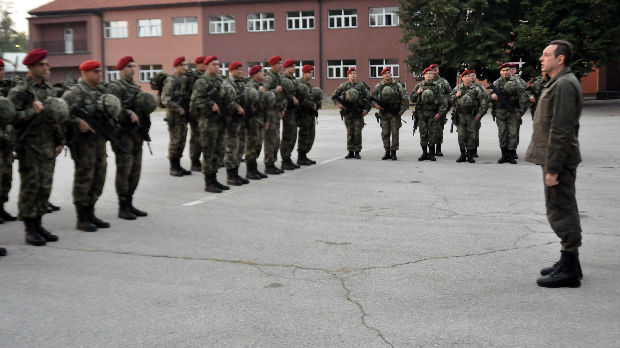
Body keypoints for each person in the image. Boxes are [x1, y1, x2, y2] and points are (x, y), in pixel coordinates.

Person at [525, 40, 584, 288]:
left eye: (546, 54)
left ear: (560, 59)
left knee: (561, 210)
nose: (541, 58)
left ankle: (569, 268)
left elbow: (561, 130)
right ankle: (572, 263)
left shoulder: (565, 85)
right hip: (552, 158)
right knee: (560, 207)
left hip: (557, 160)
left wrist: (553, 169)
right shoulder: (558, 83)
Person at [8, 49, 64, 246]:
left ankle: (39, 223)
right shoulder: (19, 91)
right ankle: (29, 229)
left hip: (47, 145)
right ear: (31, 67)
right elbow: (11, 119)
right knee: (31, 187)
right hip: (29, 146)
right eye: (42, 64)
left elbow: (54, 117)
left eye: (46, 64)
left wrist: (60, 139)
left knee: (44, 187)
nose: (46, 67)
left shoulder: (48, 90)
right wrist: (32, 111)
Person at [63, 60, 118, 232]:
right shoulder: (73, 93)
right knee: (84, 178)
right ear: (85, 73)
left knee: (99, 177)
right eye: (95, 71)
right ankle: (82, 217)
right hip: (82, 144)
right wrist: (77, 122)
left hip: (98, 142)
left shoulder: (101, 91)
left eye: (99, 71)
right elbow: (60, 114)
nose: (99, 74)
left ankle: (91, 211)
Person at [106, 56, 151, 220]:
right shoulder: (115, 87)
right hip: (123, 135)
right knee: (124, 171)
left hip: (137, 134)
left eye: (134, 66)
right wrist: (126, 113)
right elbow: (112, 109)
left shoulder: (135, 87)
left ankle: (130, 202)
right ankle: (122, 206)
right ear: (121, 69)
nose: (133, 69)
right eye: (129, 66)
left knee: (135, 171)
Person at [190, 56, 238, 193]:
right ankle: (208, 182)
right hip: (208, 122)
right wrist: (210, 104)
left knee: (219, 151)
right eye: (213, 64)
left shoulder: (220, 80)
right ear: (206, 66)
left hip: (220, 121)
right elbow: (195, 101)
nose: (217, 67)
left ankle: (215, 179)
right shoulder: (202, 81)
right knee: (209, 152)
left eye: (218, 64)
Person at [490, 63, 526, 164]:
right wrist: (492, 96)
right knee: (502, 133)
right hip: (500, 112)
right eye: (503, 70)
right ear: (500, 72)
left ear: (510, 71)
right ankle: (504, 154)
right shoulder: (496, 83)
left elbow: (523, 97)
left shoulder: (516, 82)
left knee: (513, 133)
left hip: (513, 111)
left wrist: (521, 112)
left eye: (507, 70)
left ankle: (511, 155)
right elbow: (487, 97)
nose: (505, 72)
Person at [162, 56, 192, 177]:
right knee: (175, 140)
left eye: (185, 65)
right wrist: (178, 108)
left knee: (182, 140)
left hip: (182, 116)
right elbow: (165, 99)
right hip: (174, 115)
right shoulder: (171, 80)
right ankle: (173, 167)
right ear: (176, 66)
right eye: (182, 65)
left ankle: (178, 165)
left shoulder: (183, 79)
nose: (184, 67)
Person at [332, 67, 371, 159]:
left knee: (357, 132)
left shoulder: (361, 86)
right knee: (349, 132)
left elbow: (369, 98)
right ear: (348, 75)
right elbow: (334, 96)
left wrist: (366, 111)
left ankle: (357, 151)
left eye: (354, 73)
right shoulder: (344, 86)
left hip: (358, 112)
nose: (353, 74)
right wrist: (338, 104)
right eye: (351, 73)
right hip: (348, 112)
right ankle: (350, 151)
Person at [411, 66, 448, 161]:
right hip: (422, 114)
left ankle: (431, 153)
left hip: (433, 114)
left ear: (433, 75)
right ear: (423, 75)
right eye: (426, 74)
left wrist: (439, 113)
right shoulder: (419, 86)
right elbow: (412, 99)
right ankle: (424, 153)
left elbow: (443, 101)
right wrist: (417, 93)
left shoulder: (437, 86)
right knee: (423, 133)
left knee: (433, 134)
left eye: (430, 74)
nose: (428, 75)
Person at [449, 70, 487, 163]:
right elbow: (449, 101)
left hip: (472, 116)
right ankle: (462, 154)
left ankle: (470, 155)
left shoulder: (476, 89)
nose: (467, 78)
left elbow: (483, 103)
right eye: (465, 76)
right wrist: (456, 96)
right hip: (460, 116)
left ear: (471, 78)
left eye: (469, 76)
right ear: (462, 78)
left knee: (471, 135)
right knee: (461, 135)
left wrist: (479, 115)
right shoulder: (457, 89)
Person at [372, 67, 409, 161]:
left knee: (395, 133)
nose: (387, 74)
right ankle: (387, 151)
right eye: (385, 73)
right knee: (385, 133)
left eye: (389, 72)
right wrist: (376, 105)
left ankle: (394, 152)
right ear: (382, 75)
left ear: (391, 74)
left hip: (395, 113)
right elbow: (372, 98)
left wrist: (401, 112)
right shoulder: (379, 86)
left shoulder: (397, 85)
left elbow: (404, 98)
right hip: (383, 113)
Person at [223, 61, 249, 186]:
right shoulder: (227, 83)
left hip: (242, 120)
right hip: (231, 120)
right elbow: (226, 101)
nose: (240, 71)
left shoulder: (243, 83)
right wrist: (236, 106)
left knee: (240, 147)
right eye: (237, 69)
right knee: (232, 148)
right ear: (231, 71)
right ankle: (230, 176)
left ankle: (236, 173)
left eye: (241, 69)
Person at [0, 58, 18, 224]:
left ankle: (2, 207)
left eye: (2, 70)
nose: (2, 73)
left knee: (7, 178)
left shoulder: (6, 89)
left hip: (6, 142)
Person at [263, 56, 287, 174]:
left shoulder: (277, 77)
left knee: (276, 139)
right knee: (271, 139)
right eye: (279, 63)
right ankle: (268, 164)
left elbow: (281, 96)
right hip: (270, 112)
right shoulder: (268, 77)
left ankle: (272, 162)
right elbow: (262, 94)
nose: (281, 65)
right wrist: (274, 91)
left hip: (277, 112)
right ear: (272, 65)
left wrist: (282, 108)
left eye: (281, 63)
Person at [244, 65, 269, 180]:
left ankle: (254, 169)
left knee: (258, 145)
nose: (263, 73)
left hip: (260, 120)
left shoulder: (260, 86)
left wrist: (266, 119)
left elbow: (264, 106)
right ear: (254, 74)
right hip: (252, 120)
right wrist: (259, 93)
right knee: (251, 145)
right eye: (261, 72)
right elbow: (250, 105)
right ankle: (250, 171)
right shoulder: (250, 86)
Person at [296, 65, 320, 165]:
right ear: (304, 73)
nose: (311, 74)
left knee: (310, 135)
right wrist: (312, 104)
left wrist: (316, 104)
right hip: (303, 114)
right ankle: (301, 157)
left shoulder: (308, 85)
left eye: (312, 73)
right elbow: (301, 100)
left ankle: (304, 155)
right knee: (304, 135)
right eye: (309, 73)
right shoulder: (299, 84)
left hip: (310, 114)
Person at [279, 59, 301, 170]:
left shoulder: (293, 79)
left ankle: (288, 158)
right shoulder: (283, 79)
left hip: (294, 111)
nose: (294, 68)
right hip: (288, 110)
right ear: (286, 68)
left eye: (294, 66)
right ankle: (285, 160)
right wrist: (292, 98)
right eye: (292, 66)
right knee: (288, 135)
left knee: (293, 135)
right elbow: (285, 94)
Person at [430, 64, 452, 156]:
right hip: (429, 110)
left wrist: (447, 109)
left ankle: (438, 149)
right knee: (430, 129)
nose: (434, 72)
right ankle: (430, 149)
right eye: (432, 70)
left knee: (439, 130)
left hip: (441, 109)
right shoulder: (426, 81)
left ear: (438, 71)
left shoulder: (443, 82)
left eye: (435, 70)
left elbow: (450, 95)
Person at [469, 70, 488, 158]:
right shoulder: (462, 87)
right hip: (464, 114)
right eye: (470, 75)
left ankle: (474, 150)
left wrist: (480, 114)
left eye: (473, 75)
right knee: (465, 132)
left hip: (475, 113)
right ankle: (467, 149)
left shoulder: (480, 87)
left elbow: (484, 101)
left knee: (475, 132)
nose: (472, 77)